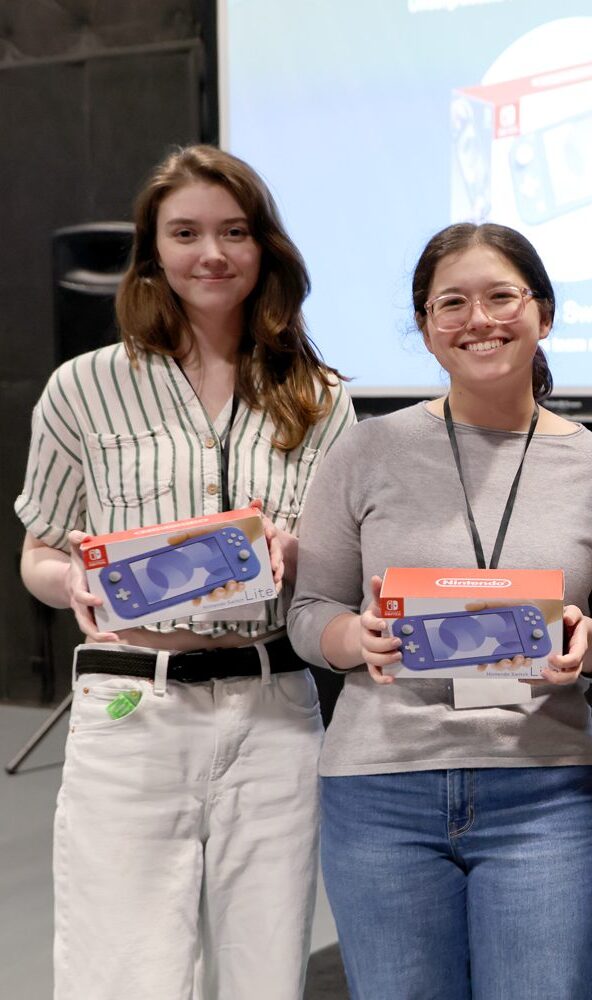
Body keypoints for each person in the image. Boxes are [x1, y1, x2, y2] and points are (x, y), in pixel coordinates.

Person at [15, 145, 356, 999]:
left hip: (273, 710)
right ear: (153, 252)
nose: (212, 253)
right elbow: (41, 550)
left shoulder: (319, 395)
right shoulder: (81, 390)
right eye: (187, 232)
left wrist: (298, 552)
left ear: (263, 247)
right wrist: (72, 584)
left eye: (234, 231)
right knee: (122, 971)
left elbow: (344, 563)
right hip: (132, 706)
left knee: (266, 971)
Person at [287, 222, 592, 1000]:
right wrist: (351, 637)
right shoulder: (365, 451)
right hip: (380, 789)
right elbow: (309, 611)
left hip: (541, 794)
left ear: (544, 314)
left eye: (500, 297)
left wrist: (591, 645)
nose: (477, 319)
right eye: (450, 303)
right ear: (425, 328)